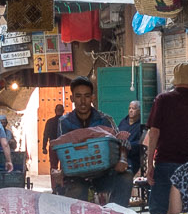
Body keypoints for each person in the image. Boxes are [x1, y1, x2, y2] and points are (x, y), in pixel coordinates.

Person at [44, 75, 128, 203]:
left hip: (104, 173)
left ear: (92, 98)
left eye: (87, 96)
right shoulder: (64, 122)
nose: (83, 101)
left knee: (126, 177)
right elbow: (64, 147)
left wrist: (122, 159)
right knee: (76, 193)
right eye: (78, 96)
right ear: (72, 98)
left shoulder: (105, 119)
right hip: (76, 175)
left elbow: (119, 141)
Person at [144, 61, 188, 214]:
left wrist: (149, 165)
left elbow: (154, 133)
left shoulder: (163, 100)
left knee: (160, 212)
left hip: (166, 163)